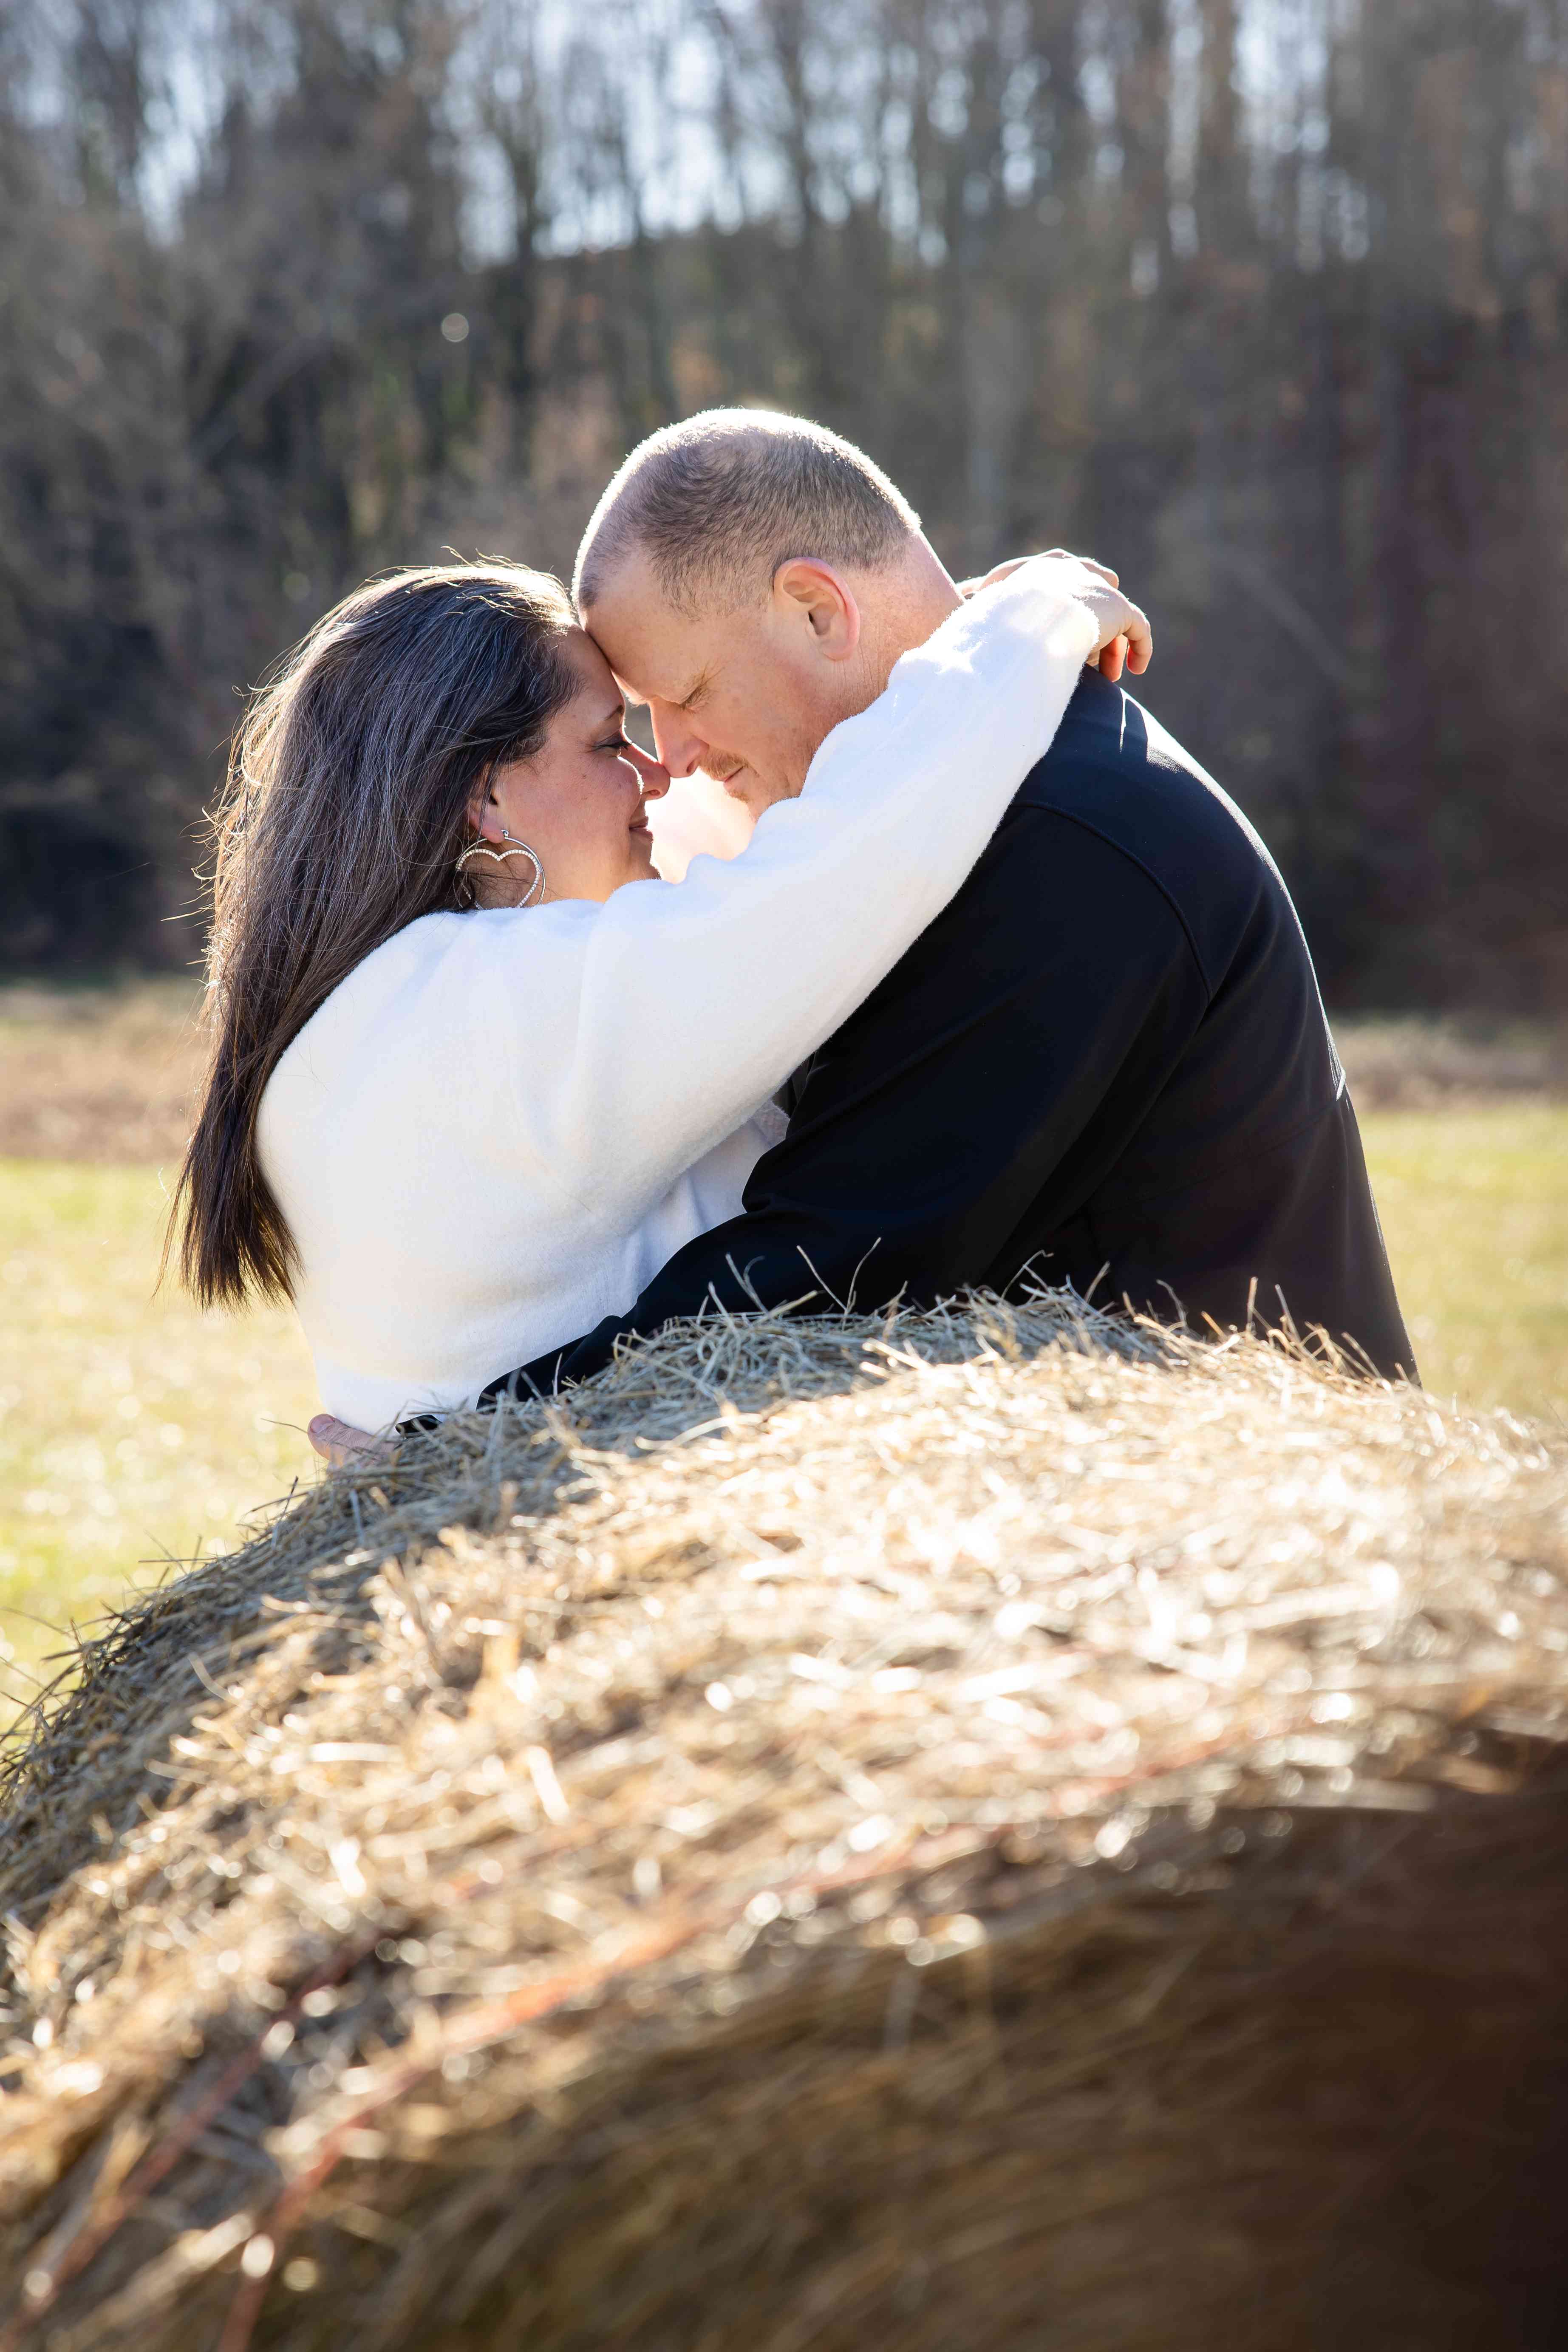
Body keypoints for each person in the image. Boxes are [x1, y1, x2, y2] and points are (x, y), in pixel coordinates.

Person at [459, 408, 1412, 1417]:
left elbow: (832, 1267)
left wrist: (469, 1437)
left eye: (686, 693)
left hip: (1261, 1528)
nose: (676, 756)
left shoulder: (1063, 843)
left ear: (819, 612)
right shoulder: (969, 818)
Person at [172, 538, 1147, 1443]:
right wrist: (1019, 629)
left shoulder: (385, 1014)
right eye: (607, 744)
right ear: (487, 795)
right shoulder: (497, 1017)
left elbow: (732, 874)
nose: (655, 775)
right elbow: (840, 875)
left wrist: (901, 656)